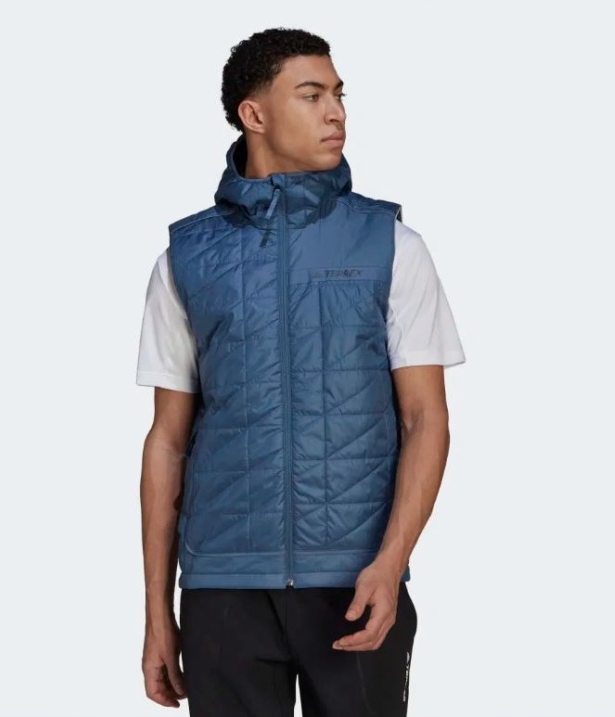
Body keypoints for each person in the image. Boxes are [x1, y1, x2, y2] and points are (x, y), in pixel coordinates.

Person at [136, 27, 466, 717]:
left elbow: (425, 418)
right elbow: (167, 440)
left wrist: (390, 562)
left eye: (339, 95)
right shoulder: (186, 257)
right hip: (224, 589)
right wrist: (157, 611)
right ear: (253, 114)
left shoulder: (391, 244)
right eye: (312, 95)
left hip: (355, 582)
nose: (336, 112)